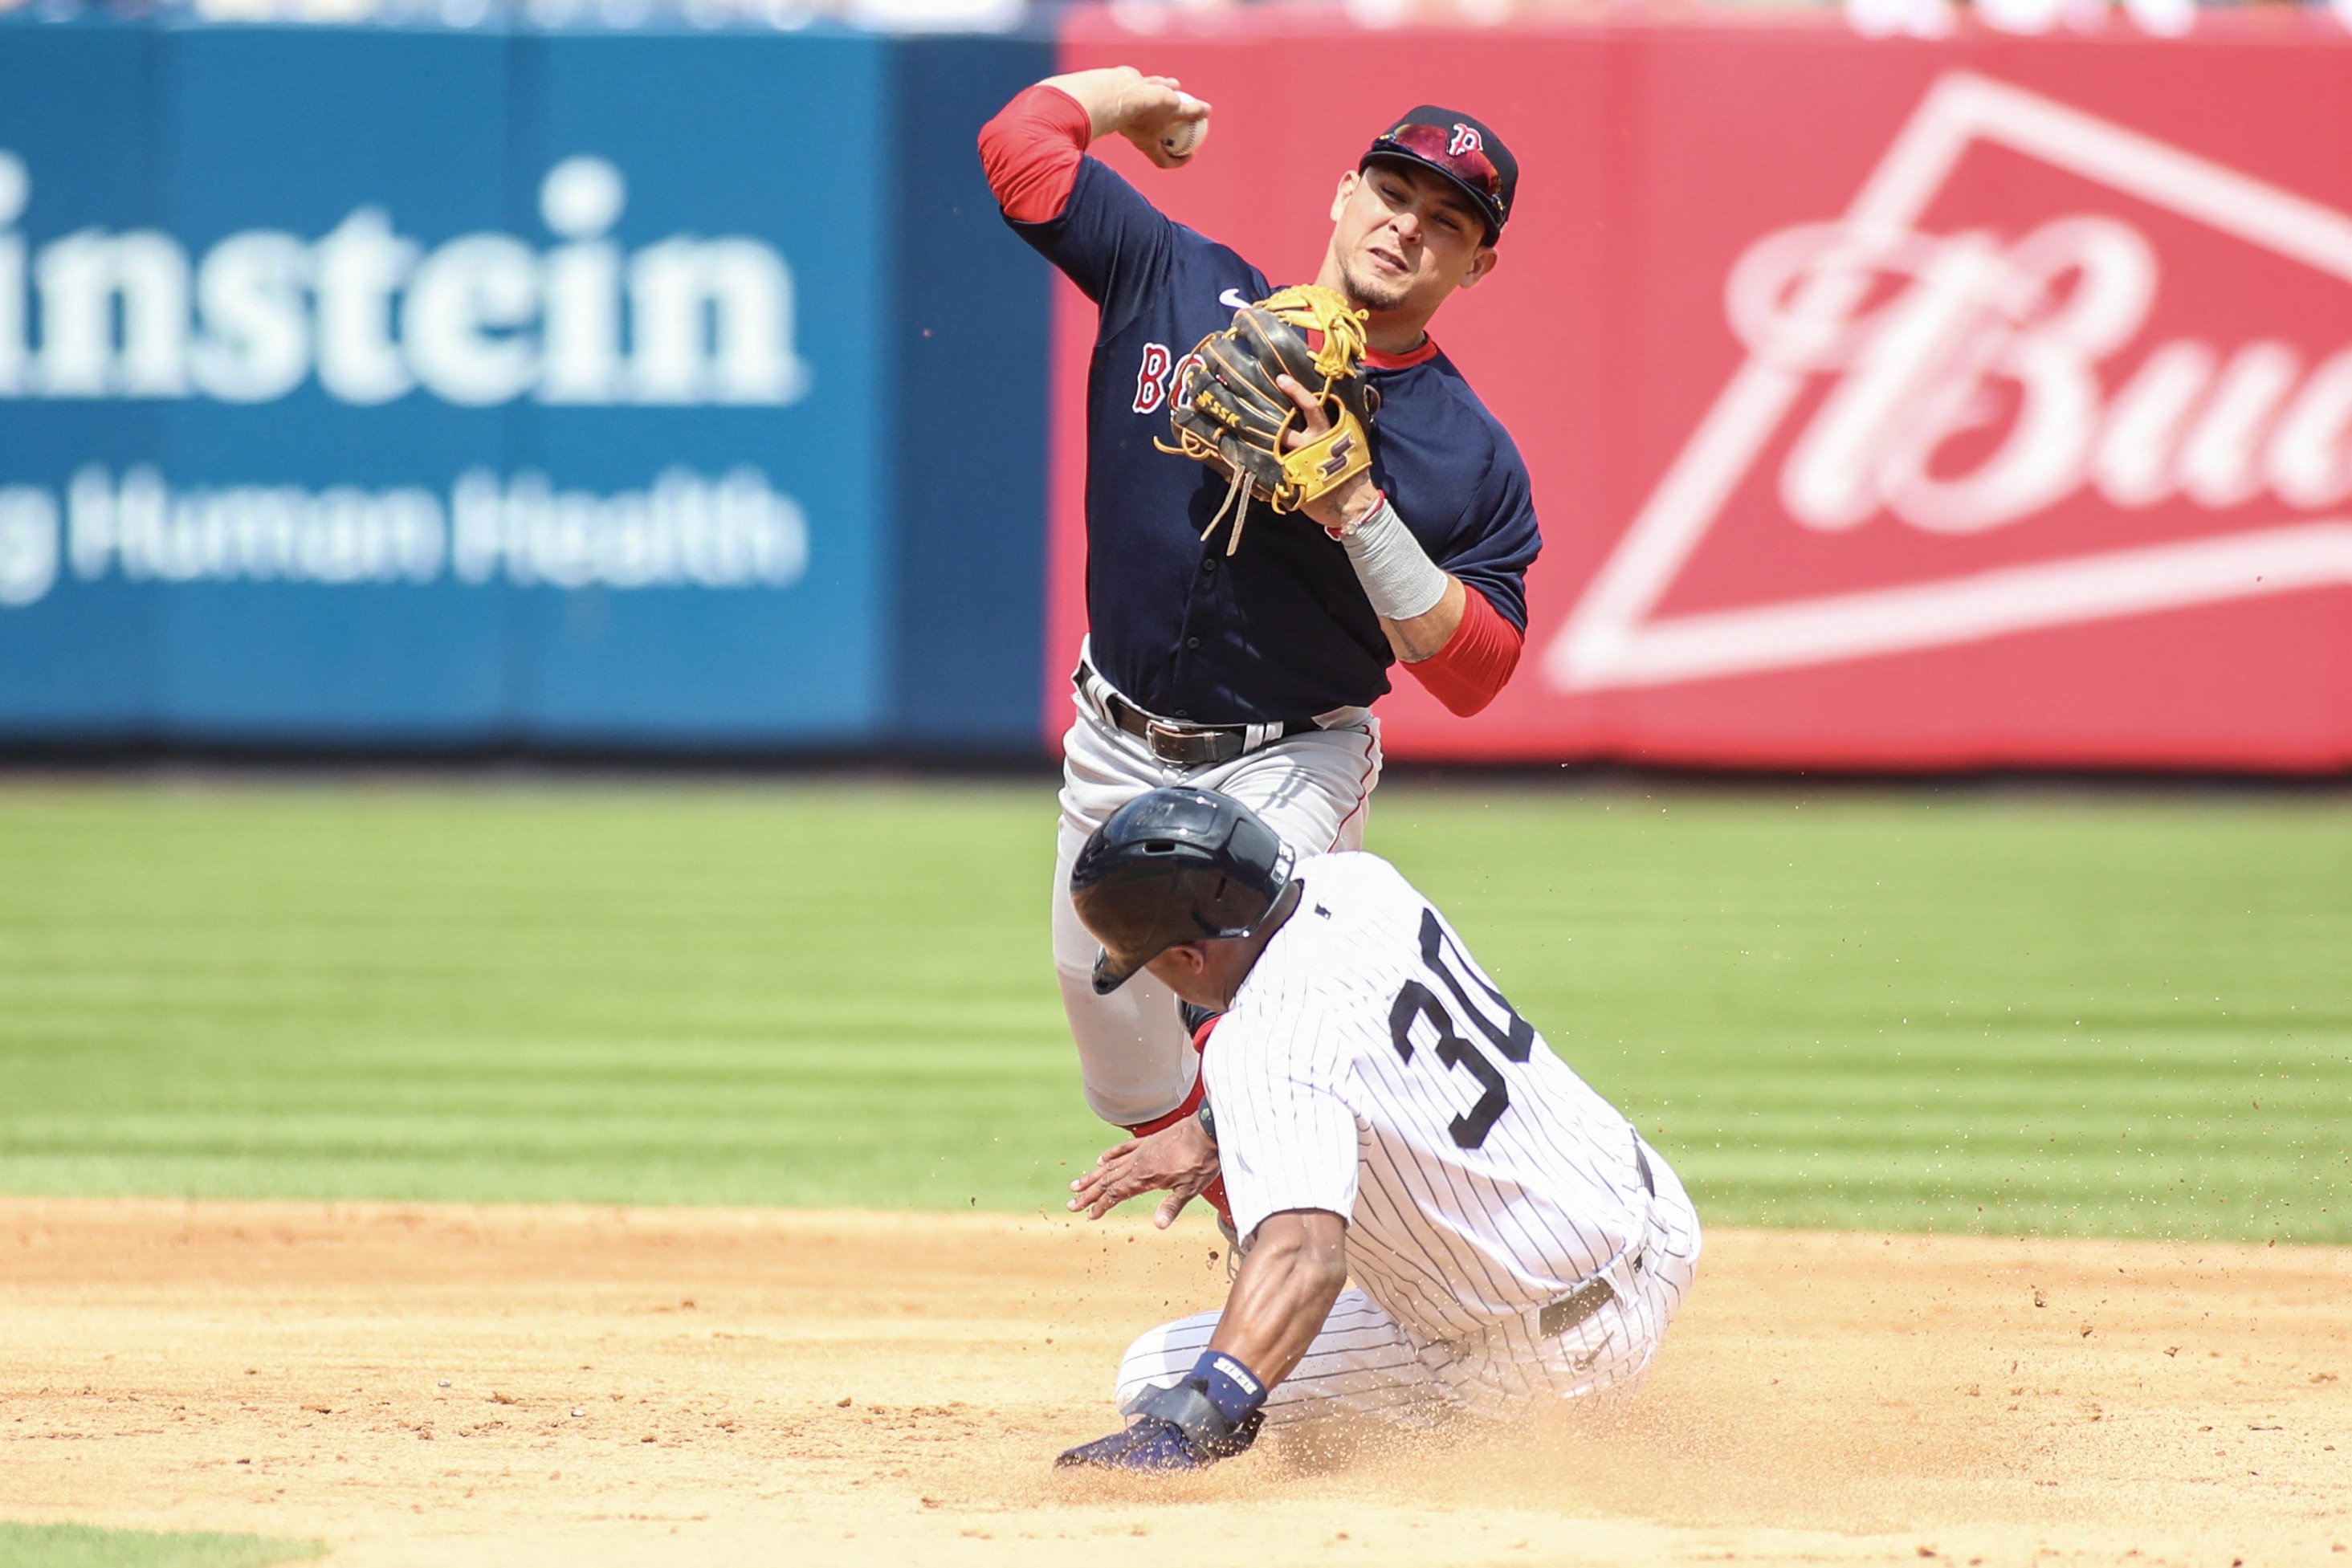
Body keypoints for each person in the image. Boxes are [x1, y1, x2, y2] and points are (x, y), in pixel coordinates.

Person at [977, 68, 1546, 1163]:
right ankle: (1246, 1207)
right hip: (1112, 734)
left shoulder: (1462, 451)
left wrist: (1358, 510)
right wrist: (1132, 99)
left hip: (1288, 760)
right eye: (1393, 192)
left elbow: (1478, 671)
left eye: (1446, 221)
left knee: (1270, 996)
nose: (1405, 226)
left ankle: (1363, 1244)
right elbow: (1017, 151)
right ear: (1343, 193)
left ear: (1476, 263)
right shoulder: (1177, 279)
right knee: (1121, 1042)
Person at [1053, 787, 1700, 1470]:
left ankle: (1501, 1454)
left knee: (1154, 1376)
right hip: (1654, 1223)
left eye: (1150, 963)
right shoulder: (1359, 881)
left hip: (1546, 1357)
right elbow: (1352, 1047)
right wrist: (1216, 1126)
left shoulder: (1264, 1040)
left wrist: (1195, 1420)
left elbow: (1307, 1257)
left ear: (1188, 956)